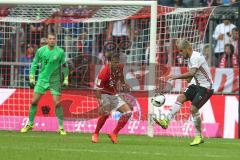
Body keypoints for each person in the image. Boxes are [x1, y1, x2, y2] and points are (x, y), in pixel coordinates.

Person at [154, 39, 214, 146]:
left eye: (181, 51)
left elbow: (191, 73)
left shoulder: (196, 57)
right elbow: (191, 77)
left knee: (193, 109)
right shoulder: (190, 58)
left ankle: (198, 136)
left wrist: (175, 77)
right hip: (197, 85)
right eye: (179, 51)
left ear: (188, 49)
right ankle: (166, 121)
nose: (180, 54)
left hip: (206, 87)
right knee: (180, 98)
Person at [20, 33, 69, 135]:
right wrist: (32, 77)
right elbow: (34, 64)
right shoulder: (40, 51)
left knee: (57, 103)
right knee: (34, 102)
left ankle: (61, 127)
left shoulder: (60, 51)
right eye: (50, 39)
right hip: (42, 80)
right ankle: (30, 123)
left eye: (53, 39)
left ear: (55, 40)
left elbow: (64, 65)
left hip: (54, 81)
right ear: (47, 40)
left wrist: (66, 78)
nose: (52, 40)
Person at [92, 53, 132, 144]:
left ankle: (114, 133)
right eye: (115, 62)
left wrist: (124, 85)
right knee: (106, 113)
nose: (117, 64)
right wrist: (100, 104)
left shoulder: (120, 67)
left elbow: (121, 79)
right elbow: (97, 90)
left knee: (128, 113)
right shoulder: (103, 73)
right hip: (103, 94)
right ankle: (95, 134)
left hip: (113, 94)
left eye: (118, 62)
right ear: (109, 62)